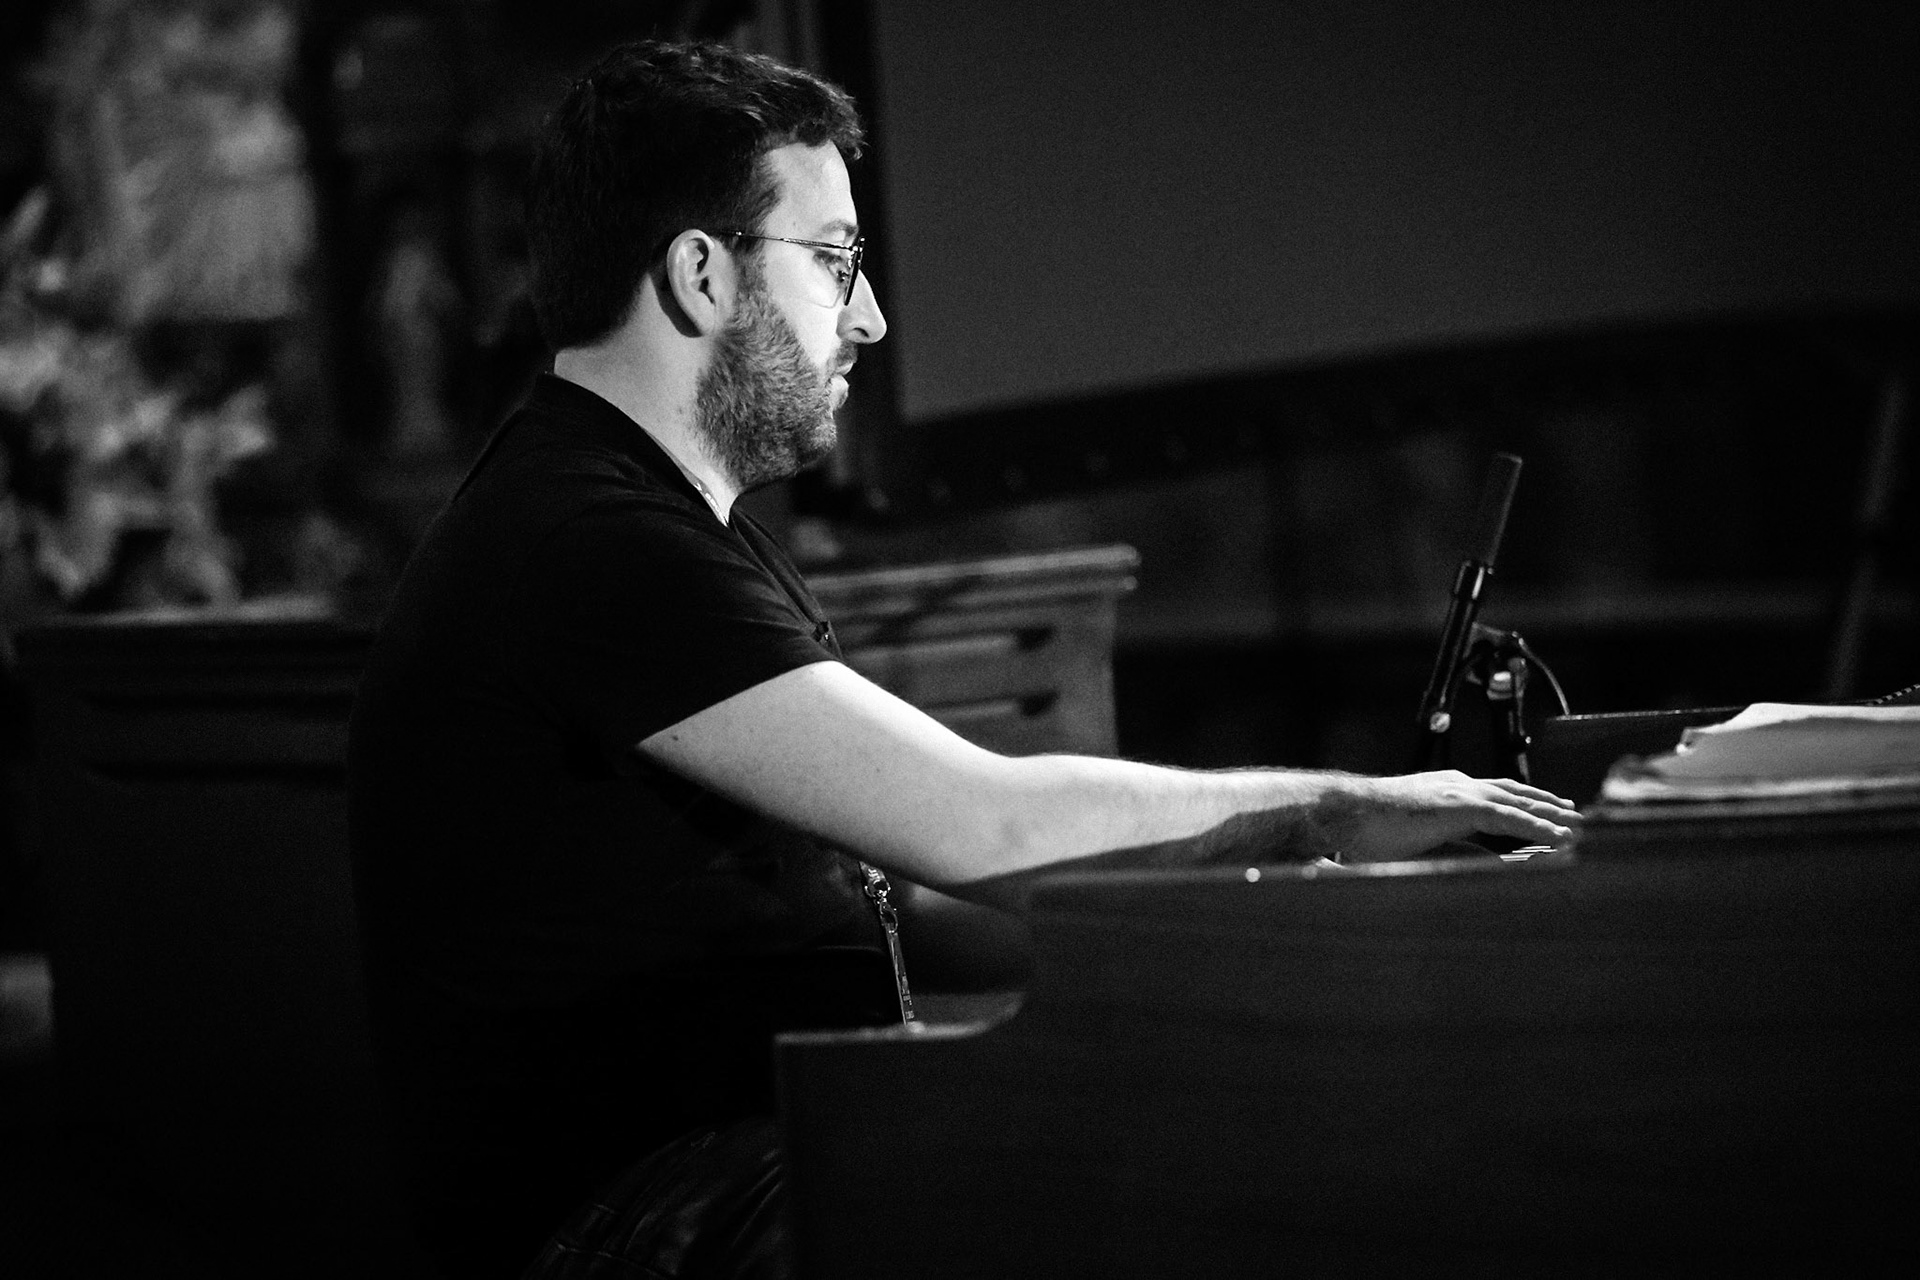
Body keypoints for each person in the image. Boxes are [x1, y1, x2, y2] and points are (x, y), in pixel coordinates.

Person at [347, 39, 1580, 1279]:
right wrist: (1335, 810)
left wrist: (1268, 931)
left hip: (728, 1168)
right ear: (702, 274)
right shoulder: (588, 539)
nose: (870, 317)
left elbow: (897, 906)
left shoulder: (657, 521)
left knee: (1239, 1115)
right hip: (636, 1222)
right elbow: (981, 822)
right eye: (835, 261)